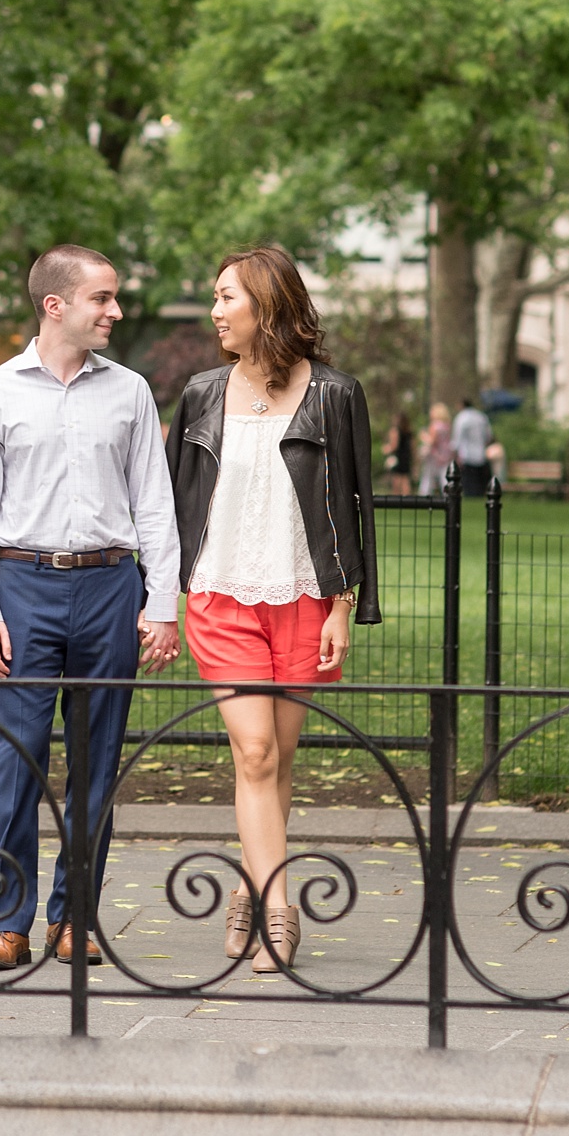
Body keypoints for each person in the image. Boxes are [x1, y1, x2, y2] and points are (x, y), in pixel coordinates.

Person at [0, 245, 181, 971]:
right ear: (56, 305)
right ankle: (7, 921)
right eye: (103, 298)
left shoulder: (132, 392)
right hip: (24, 590)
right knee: (17, 760)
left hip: (111, 588)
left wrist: (162, 600)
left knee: (98, 761)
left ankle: (73, 918)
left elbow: (155, 501)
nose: (115, 311)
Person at [165, 245, 381, 974]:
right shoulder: (200, 394)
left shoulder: (335, 394)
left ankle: (248, 885)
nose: (216, 311)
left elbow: (354, 509)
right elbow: (176, 503)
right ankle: (280, 912)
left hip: (304, 596)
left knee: (278, 759)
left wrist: (343, 603)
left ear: (267, 303)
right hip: (222, 593)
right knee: (254, 750)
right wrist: (164, 589)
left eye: (228, 297)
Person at [451, 393, 489, 499]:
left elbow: (457, 439)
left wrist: (454, 454)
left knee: (469, 486)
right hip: (481, 455)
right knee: (479, 485)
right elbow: (488, 436)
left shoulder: (461, 418)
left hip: (466, 455)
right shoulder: (481, 417)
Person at [418, 402, 452, 496]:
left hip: (434, 455)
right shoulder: (446, 426)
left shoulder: (434, 426)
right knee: (444, 476)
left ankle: (424, 494)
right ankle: (448, 494)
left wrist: (423, 436)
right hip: (445, 454)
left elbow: (432, 442)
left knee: (428, 476)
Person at [383, 411, 414, 496]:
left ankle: (396, 498)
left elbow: (394, 446)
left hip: (398, 457)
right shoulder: (409, 432)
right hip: (406, 458)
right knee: (405, 479)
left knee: (396, 480)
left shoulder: (395, 431)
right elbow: (412, 447)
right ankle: (406, 498)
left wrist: (386, 449)